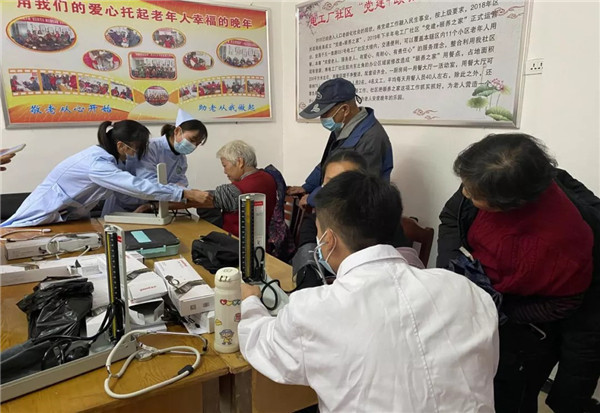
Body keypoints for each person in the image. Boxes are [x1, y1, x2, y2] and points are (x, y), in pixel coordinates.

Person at [239, 171, 499, 412]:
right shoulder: (467, 291)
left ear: (328, 240)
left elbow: (263, 346)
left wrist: (251, 301)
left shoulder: (315, 310)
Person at [437, 133, 600, 413]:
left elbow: (568, 306)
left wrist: (502, 312)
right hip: (487, 308)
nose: (464, 193)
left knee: (510, 398)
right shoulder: (485, 178)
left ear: (508, 204)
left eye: (473, 194)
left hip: (526, 335)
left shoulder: (560, 247)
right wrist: (453, 268)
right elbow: (452, 215)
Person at [1, 120, 208, 227]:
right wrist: (184, 193)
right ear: (121, 145)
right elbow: (136, 185)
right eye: (136, 149)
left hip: (68, 217)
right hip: (43, 215)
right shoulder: (97, 164)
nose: (136, 155)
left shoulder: (111, 161)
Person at [293, 150, 417, 289]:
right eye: (330, 183)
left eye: (346, 183)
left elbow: (408, 272)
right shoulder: (314, 222)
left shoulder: (383, 224)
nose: (335, 191)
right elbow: (306, 266)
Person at [287, 77, 393, 207]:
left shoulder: (370, 139)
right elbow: (329, 162)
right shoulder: (343, 127)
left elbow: (354, 185)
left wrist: (313, 198)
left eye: (325, 113)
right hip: (337, 204)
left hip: (358, 210)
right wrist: (308, 186)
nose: (322, 118)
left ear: (345, 109)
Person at [102, 109, 208, 215]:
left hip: (151, 209)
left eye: (198, 143)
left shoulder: (181, 159)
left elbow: (182, 185)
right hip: (123, 207)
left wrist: (191, 193)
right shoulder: (150, 148)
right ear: (177, 131)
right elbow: (148, 183)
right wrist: (186, 193)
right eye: (192, 140)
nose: (193, 146)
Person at [194, 140, 277, 237]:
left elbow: (202, 199)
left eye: (225, 166)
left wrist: (182, 197)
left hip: (236, 242)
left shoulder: (240, 189)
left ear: (240, 162)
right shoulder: (267, 177)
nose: (225, 171)